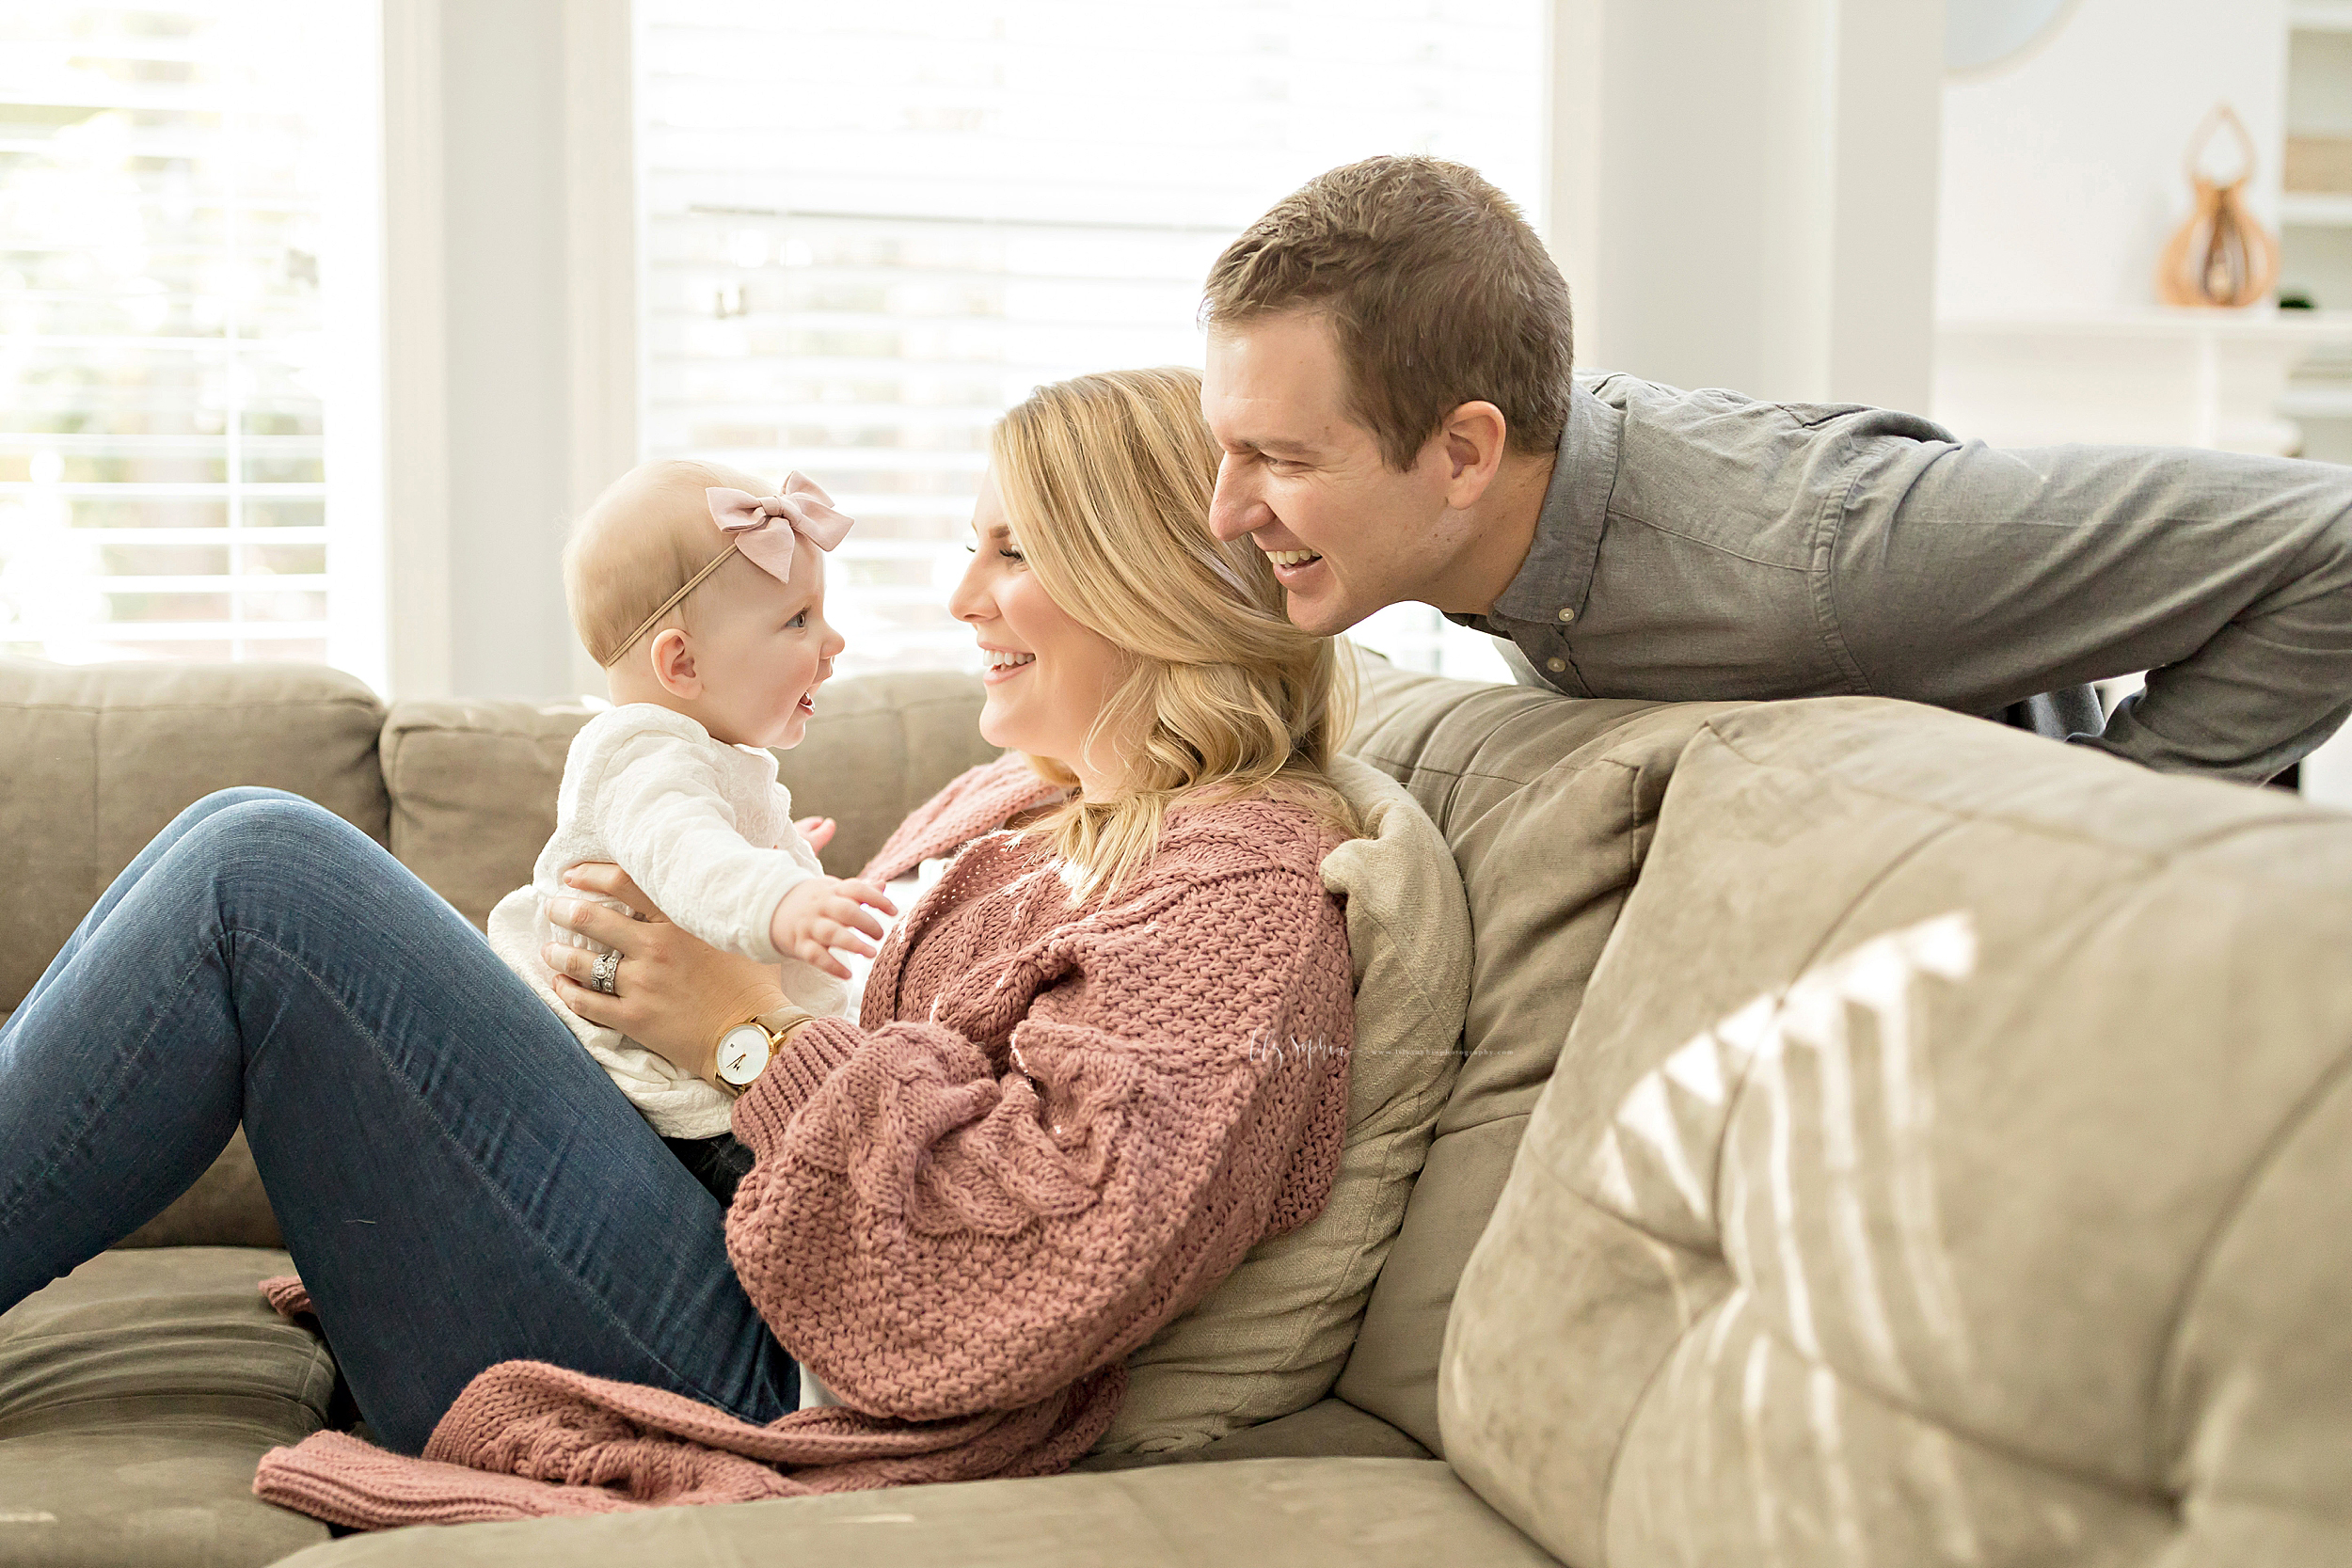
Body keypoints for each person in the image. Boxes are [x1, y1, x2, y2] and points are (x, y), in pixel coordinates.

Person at [0, 367, 1357, 1520]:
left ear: (1148, 583)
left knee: (263, 874)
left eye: (1012, 552)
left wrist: (742, 1029)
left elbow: (1039, 1266)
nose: (959, 599)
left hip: (776, 1366)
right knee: (245, 837)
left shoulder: (1234, 887)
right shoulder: (1027, 801)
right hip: (740, 1251)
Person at [1198, 154, 2352, 784]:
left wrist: (2107, 820)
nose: (1225, 508)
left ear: (1464, 454)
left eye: (1281, 458)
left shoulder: (1823, 560)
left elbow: (2331, 536)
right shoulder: (1493, 509)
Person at [486, 460, 892, 1168]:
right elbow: (686, 855)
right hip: (692, 1121)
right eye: (798, 618)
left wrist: (780, 844)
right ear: (681, 665)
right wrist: (780, 894)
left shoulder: (689, 754)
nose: (834, 642)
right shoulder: (643, 753)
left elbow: (686, 843)